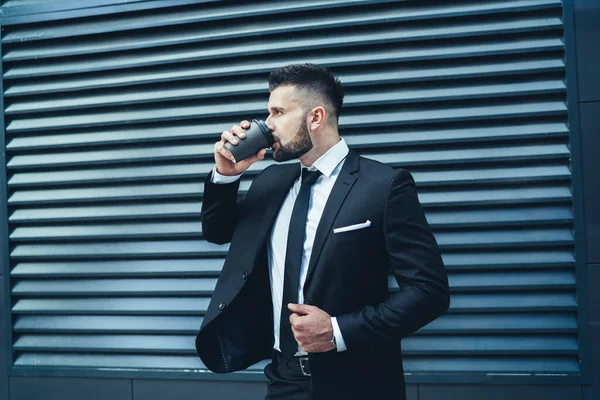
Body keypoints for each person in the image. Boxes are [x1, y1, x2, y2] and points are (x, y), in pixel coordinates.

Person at [195, 63, 450, 400]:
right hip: (282, 379)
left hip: (358, 384)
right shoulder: (270, 182)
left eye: (278, 112)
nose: (266, 124)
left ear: (315, 118)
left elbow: (428, 291)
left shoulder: (383, 186)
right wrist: (226, 174)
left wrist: (337, 331)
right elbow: (217, 231)